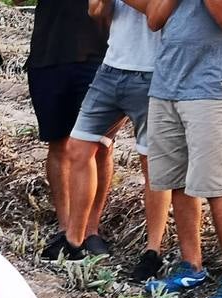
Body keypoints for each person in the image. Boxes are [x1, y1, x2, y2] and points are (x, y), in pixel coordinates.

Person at [143, 0, 222, 298]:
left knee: (214, 185)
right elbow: (154, 19)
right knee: (177, 181)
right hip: (165, 84)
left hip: (209, 88)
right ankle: (191, 266)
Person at [59, 0, 169, 281]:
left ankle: (153, 250)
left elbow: (158, 14)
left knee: (152, 165)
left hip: (153, 70)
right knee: (78, 147)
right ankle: (74, 239)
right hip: (111, 65)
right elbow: (97, 13)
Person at [27, 0, 109, 259]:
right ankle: (66, 226)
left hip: (96, 54)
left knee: (100, 146)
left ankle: (91, 230)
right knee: (57, 142)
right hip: (49, 54)